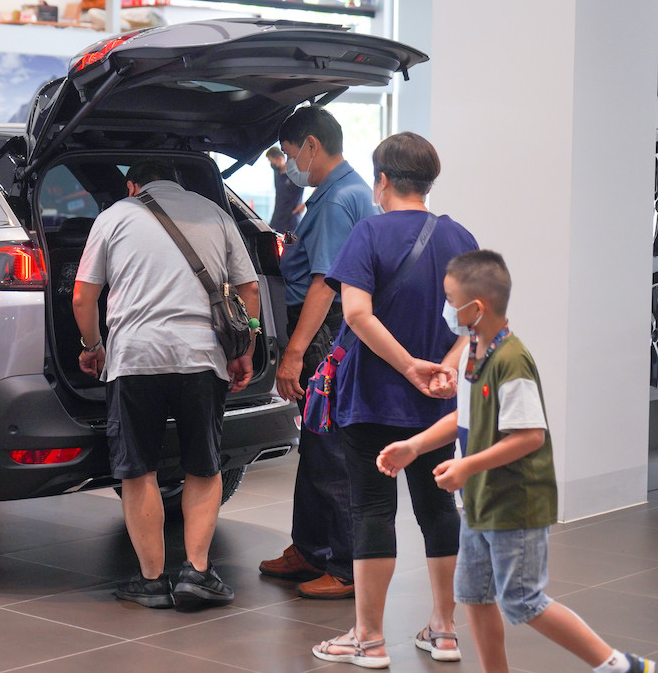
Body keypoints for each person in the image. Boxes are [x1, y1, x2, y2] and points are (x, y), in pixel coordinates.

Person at [378, 251, 657, 673]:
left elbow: (529, 436)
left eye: (450, 300)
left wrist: (467, 467)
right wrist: (414, 446)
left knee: (524, 601)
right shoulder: (473, 352)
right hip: (481, 500)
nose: (445, 308)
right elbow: (464, 417)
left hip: (515, 502)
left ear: (476, 309)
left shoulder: (512, 361)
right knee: (474, 595)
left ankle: (621, 666)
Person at [310, 132, 478, 668]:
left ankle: (369, 639)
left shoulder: (368, 233)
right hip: (437, 404)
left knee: (372, 511)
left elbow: (356, 314)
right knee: (438, 508)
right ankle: (445, 631)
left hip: (372, 397)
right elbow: (477, 319)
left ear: (381, 180)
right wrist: (445, 366)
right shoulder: (460, 237)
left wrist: (407, 366)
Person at [73, 159, 258, 609]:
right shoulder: (214, 212)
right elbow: (250, 289)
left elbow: (82, 296)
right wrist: (245, 348)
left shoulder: (114, 216)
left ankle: (151, 581)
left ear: (132, 185)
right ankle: (197, 572)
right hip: (202, 356)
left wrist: (92, 346)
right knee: (203, 466)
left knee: (139, 470)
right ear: (176, 182)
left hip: (135, 358)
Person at [258, 106, 373, 600]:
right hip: (330, 330)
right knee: (315, 443)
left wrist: (294, 354)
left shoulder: (335, 201)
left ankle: (344, 567)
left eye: (289, 154)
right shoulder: (346, 191)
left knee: (328, 450)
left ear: (311, 145)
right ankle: (309, 548)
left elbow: (326, 284)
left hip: (324, 332)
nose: (289, 164)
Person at [265, 145, 304, 234]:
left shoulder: (296, 172)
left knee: (291, 241)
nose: (272, 165)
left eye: (272, 162)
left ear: (280, 158)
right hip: (277, 219)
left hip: (291, 221)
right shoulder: (277, 172)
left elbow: (319, 182)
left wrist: (305, 204)